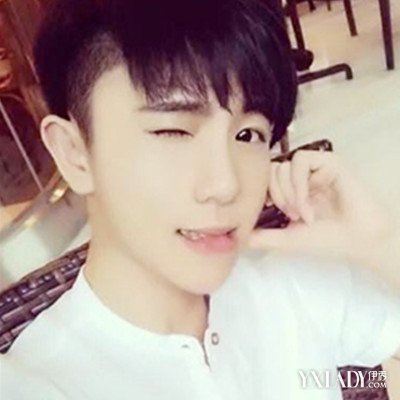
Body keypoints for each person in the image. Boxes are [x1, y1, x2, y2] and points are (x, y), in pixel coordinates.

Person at [1, 0, 399, 399]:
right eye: (173, 131)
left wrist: (382, 246)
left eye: (248, 135)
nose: (226, 185)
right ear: (75, 154)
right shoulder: (38, 385)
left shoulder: (288, 285)